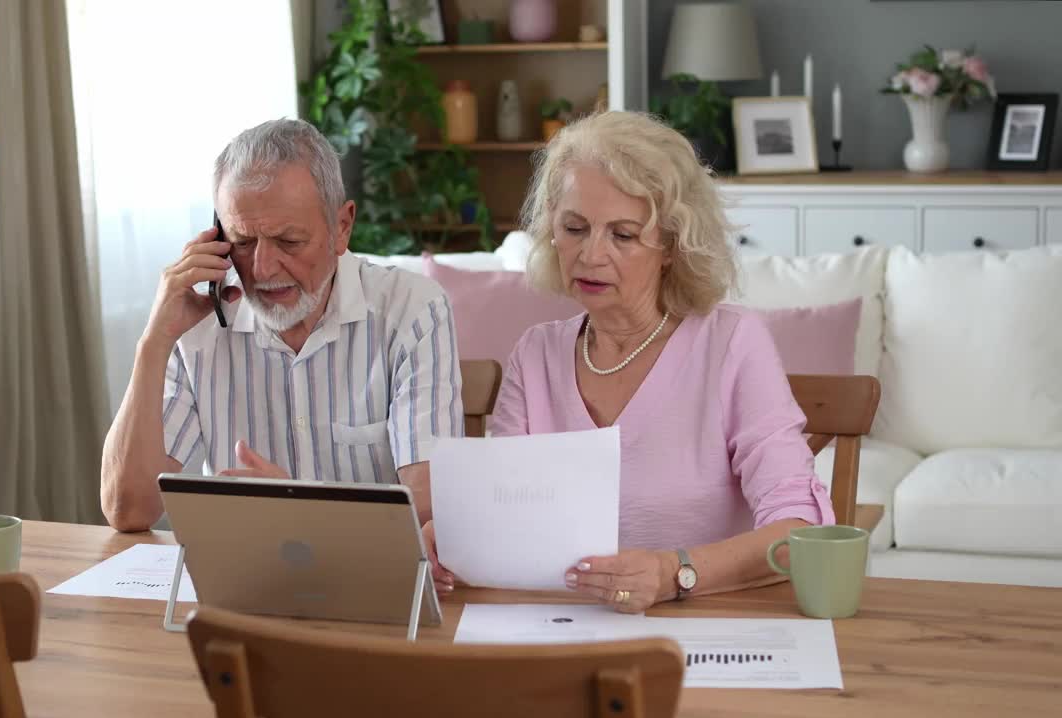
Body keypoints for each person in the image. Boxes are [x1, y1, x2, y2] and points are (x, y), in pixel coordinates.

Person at [425, 111, 832, 610]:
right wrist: (450, 537)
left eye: (622, 235)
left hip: (706, 627)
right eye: (574, 227)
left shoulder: (732, 343)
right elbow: (505, 515)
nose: (591, 255)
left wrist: (674, 573)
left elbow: (799, 532)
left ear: (670, 246)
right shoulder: (537, 354)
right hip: (561, 628)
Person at [101, 118, 462, 532]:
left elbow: (431, 514)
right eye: (243, 242)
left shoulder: (412, 310)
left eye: (289, 241)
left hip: (369, 586)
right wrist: (153, 343)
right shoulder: (197, 324)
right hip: (241, 587)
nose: (263, 267)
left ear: (341, 227)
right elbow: (127, 510)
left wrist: (301, 510)